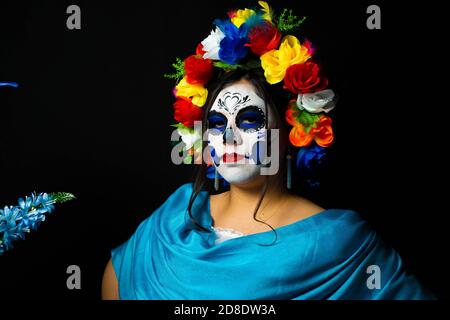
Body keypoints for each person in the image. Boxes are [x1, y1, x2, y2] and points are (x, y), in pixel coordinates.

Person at [102, 2, 435, 300]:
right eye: (217, 123)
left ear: (291, 132)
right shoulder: (173, 218)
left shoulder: (340, 243)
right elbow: (119, 278)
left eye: (249, 120)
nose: (229, 136)